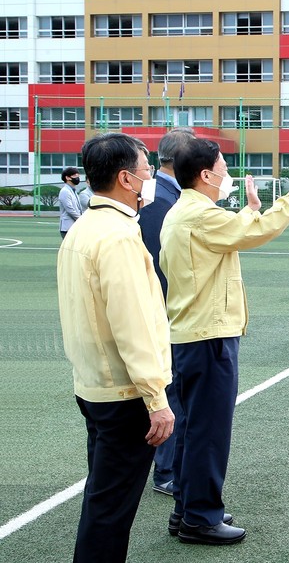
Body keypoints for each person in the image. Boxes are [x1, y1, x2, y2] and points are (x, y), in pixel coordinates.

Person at [160, 140, 289, 545]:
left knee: (193, 429)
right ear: (205, 175)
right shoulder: (200, 215)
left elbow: (236, 231)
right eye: (222, 166)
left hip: (193, 334)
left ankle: (189, 508)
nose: (226, 173)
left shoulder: (184, 212)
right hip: (208, 336)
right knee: (209, 431)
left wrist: (251, 210)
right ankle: (200, 516)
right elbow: (258, 231)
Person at [57, 133, 174, 563]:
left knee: (103, 497)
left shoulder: (87, 227)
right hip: (124, 393)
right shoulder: (119, 236)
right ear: (126, 178)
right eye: (146, 171)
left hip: (93, 385)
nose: (151, 178)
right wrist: (156, 398)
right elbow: (134, 325)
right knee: (110, 510)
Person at [137, 127, 195, 497]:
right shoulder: (161, 200)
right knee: (170, 393)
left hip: (167, 310)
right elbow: (163, 265)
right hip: (164, 312)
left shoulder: (166, 194)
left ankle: (169, 466)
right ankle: (166, 471)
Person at [58, 166, 83, 238]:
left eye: (78, 175)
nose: (77, 177)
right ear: (67, 178)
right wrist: (81, 219)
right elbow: (70, 209)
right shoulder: (65, 191)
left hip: (74, 226)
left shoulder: (73, 191)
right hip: (67, 227)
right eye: (74, 175)